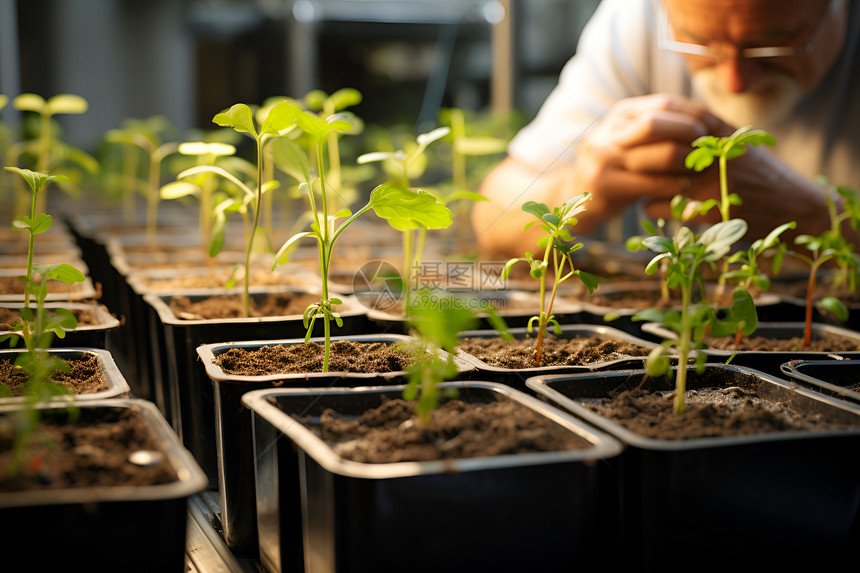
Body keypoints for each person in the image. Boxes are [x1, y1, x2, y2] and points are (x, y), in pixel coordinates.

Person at [473, 0, 860, 259]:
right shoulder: (638, 17)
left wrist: (810, 215)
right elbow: (493, 215)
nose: (735, 79)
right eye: (699, 41)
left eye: (773, 45)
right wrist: (577, 187)